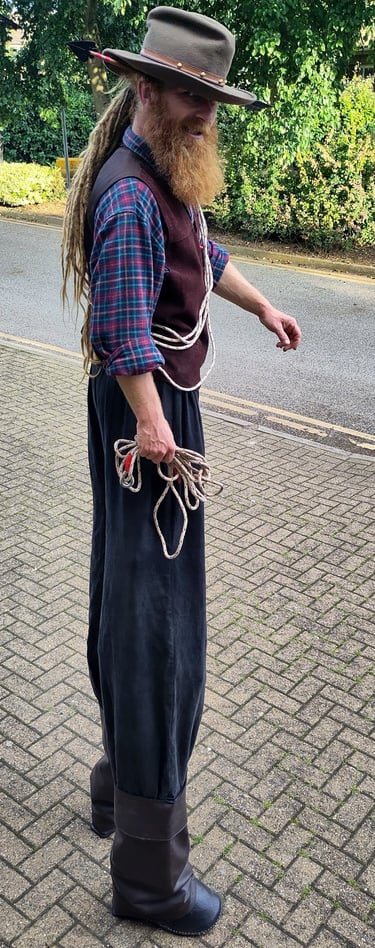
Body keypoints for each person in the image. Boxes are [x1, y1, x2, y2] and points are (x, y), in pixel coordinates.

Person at [62, 5, 301, 938]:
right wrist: (157, 429)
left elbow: (205, 251)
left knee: (129, 596)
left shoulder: (163, 171)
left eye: (212, 101)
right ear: (145, 88)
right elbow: (121, 334)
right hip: (146, 417)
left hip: (150, 409)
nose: (205, 115)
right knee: (162, 629)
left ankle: (119, 790)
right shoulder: (126, 197)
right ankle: (149, 879)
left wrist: (260, 305)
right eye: (191, 98)